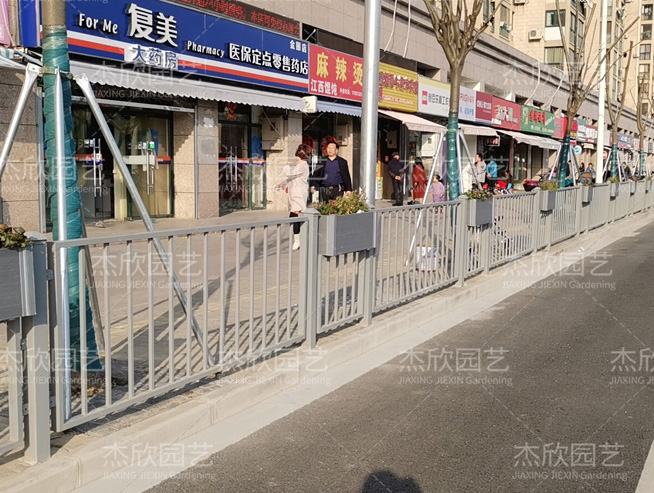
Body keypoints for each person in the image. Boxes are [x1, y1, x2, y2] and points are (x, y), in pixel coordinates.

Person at [277, 144, 311, 251]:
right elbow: (291, 178)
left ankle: (298, 240)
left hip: (299, 194)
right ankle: (299, 238)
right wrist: (281, 185)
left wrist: (286, 167)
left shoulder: (302, 165)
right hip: (295, 193)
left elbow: (290, 175)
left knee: (295, 215)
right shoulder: (300, 165)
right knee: (296, 216)